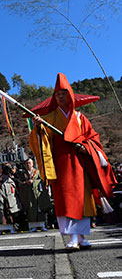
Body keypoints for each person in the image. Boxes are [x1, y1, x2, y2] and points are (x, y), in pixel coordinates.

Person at [30, 73, 117, 250]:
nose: (60, 97)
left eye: (63, 93)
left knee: (83, 199)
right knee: (67, 199)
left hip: (80, 164)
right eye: (57, 94)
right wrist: (39, 126)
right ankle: (72, 237)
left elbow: (93, 137)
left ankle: (83, 237)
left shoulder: (80, 117)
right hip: (62, 165)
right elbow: (43, 139)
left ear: (70, 94)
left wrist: (86, 146)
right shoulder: (50, 118)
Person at [17, 158, 51, 232]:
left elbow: (42, 181)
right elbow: (20, 182)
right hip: (28, 195)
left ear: (32, 164)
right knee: (31, 210)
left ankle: (42, 225)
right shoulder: (23, 174)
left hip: (37, 193)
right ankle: (33, 226)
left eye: (29, 163)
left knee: (40, 210)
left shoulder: (37, 172)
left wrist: (34, 181)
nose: (28, 164)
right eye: (26, 163)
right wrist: (26, 182)